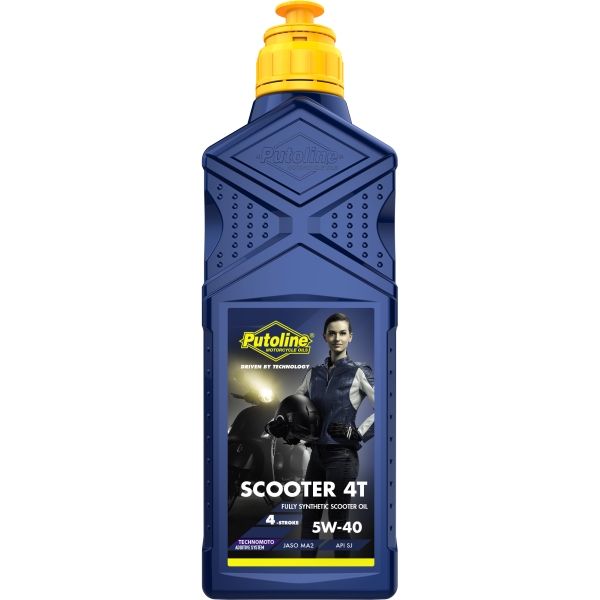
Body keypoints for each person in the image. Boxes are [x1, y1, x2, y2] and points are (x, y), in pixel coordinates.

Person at [266, 313, 374, 558]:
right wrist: (279, 426)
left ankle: (342, 577)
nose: (337, 338)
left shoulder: (359, 371)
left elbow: (388, 408)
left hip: (342, 457)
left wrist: (357, 433)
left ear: (350, 337)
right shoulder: (313, 373)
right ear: (325, 336)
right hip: (316, 456)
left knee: (338, 522)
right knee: (309, 521)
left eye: (343, 333)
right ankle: (307, 573)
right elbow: (294, 406)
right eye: (332, 333)